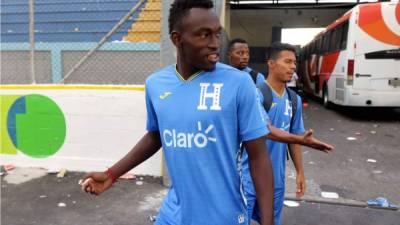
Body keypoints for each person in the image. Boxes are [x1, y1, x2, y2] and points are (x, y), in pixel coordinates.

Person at [80, 1, 275, 225]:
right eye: (204, 35)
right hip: (173, 213)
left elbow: (259, 156)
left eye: (217, 34)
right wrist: (111, 174)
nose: (215, 44)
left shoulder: (238, 83)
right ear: (177, 39)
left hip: (223, 215)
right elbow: (156, 135)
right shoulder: (156, 84)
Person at [241, 42, 334, 225]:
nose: (293, 66)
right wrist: (301, 139)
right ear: (271, 64)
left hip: (276, 181)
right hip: (248, 179)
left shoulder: (294, 100)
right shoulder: (256, 94)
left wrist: (300, 172)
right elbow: (265, 129)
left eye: (294, 62)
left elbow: (296, 138)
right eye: (287, 61)